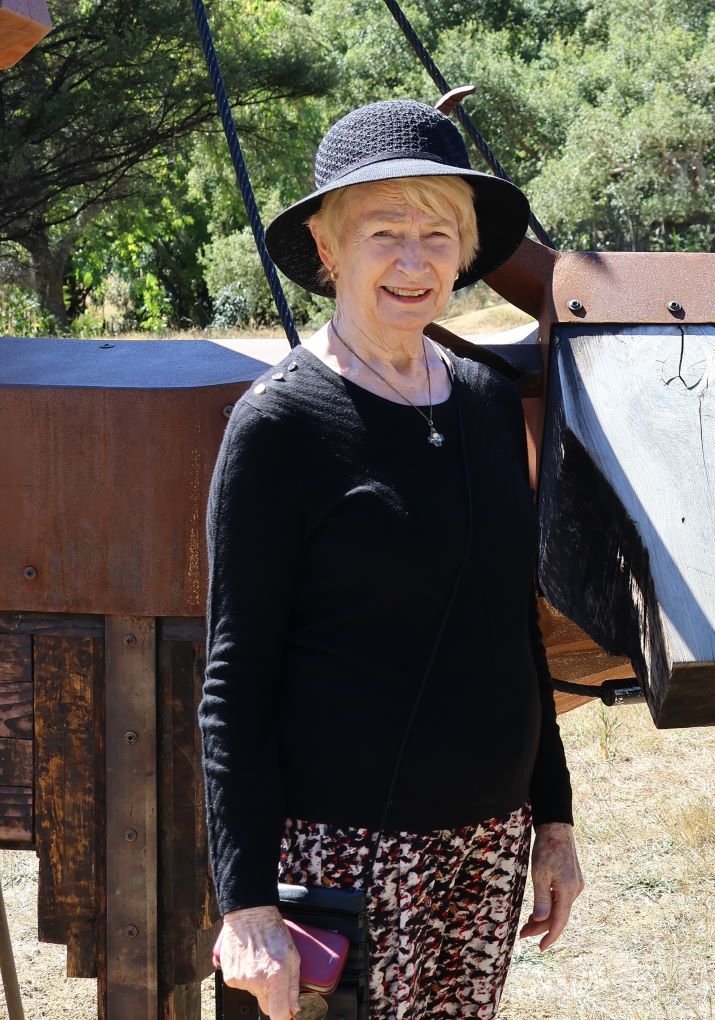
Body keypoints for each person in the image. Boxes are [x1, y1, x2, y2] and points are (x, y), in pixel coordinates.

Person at [201, 98, 584, 1020]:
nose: (414, 261)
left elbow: (513, 630)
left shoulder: (489, 403)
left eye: (438, 234)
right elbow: (234, 684)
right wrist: (246, 906)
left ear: (464, 253)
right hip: (340, 861)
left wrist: (554, 820)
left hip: (486, 845)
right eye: (384, 233)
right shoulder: (280, 424)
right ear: (328, 249)